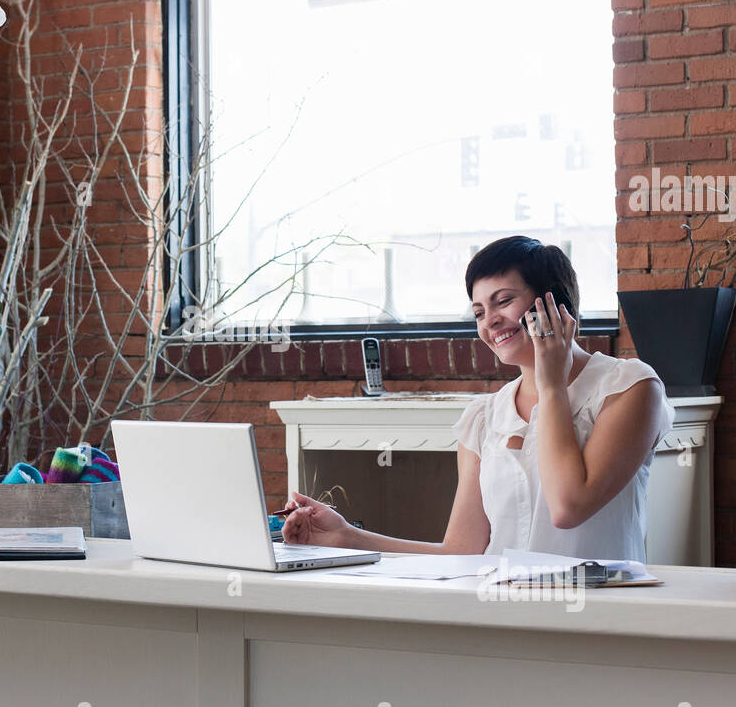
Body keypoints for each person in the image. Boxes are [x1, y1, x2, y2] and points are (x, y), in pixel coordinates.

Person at [280, 235, 675, 562]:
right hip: (499, 617)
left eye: (503, 301)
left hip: (600, 616)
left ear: (554, 305)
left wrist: (551, 385)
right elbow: (461, 552)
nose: (489, 321)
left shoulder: (629, 387)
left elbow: (568, 507)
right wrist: (345, 537)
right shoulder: (484, 418)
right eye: (478, 311)